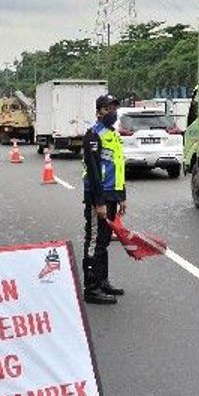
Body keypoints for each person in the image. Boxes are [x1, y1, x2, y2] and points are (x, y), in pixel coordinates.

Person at [80, 94, 126, 305]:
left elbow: (118, 167)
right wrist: (98, 202)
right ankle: (91, 288)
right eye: (107, 109)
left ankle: (102, 280)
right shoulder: (93, 135)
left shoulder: (113, 135)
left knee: (105, 240)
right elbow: (94, 173)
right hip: (97, 196)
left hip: (112, 195)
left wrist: (121, 196)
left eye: (114, 108)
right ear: (98, 112)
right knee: (94, 241)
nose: (112, 112)